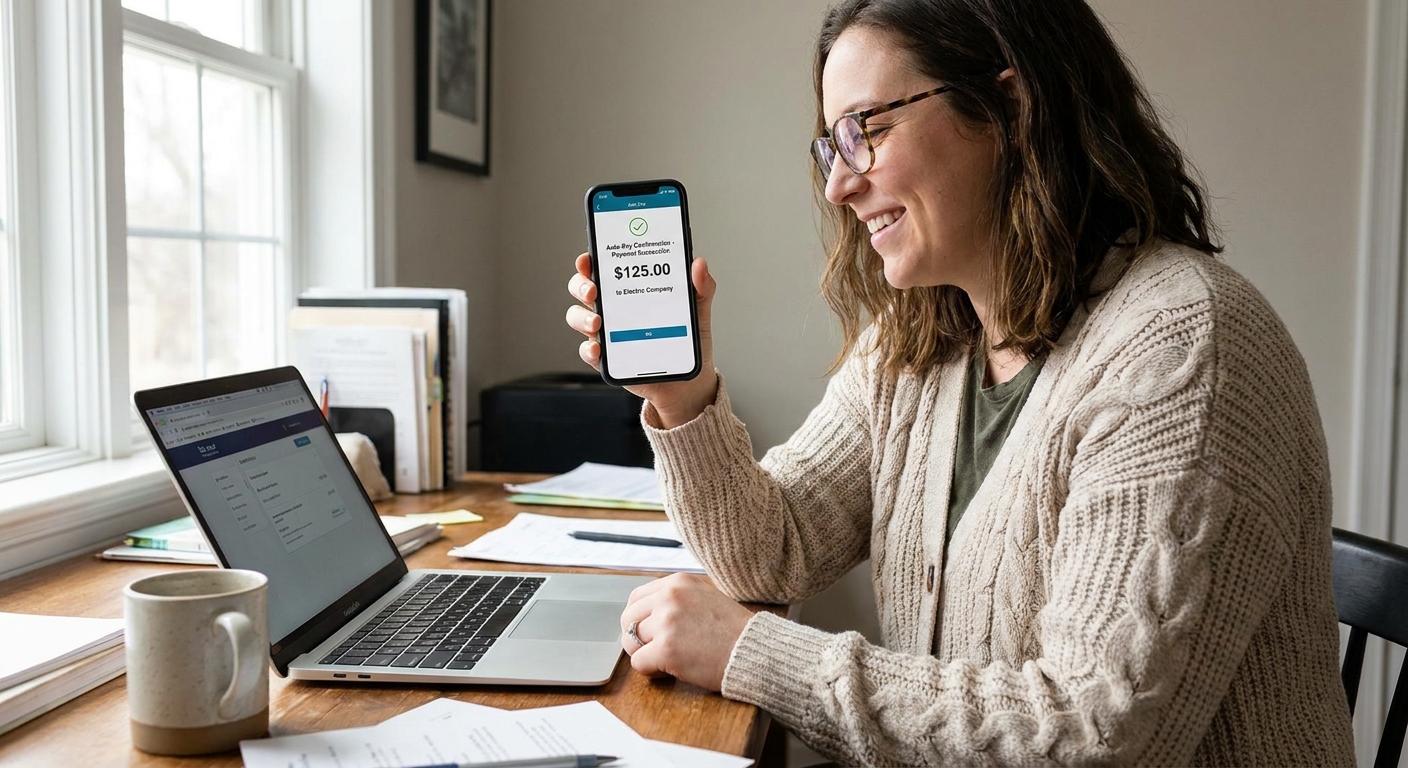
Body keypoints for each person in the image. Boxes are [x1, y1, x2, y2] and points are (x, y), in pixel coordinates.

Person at [565, 0, 1356, 764]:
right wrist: (681, 392)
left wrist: (756, 655)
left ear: (1009, 110)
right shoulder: (924, 340)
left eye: (864, 131)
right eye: (829, 147)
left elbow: (1095, 734)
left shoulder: (1183, 348)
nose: (839, 185)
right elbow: (774, 551)